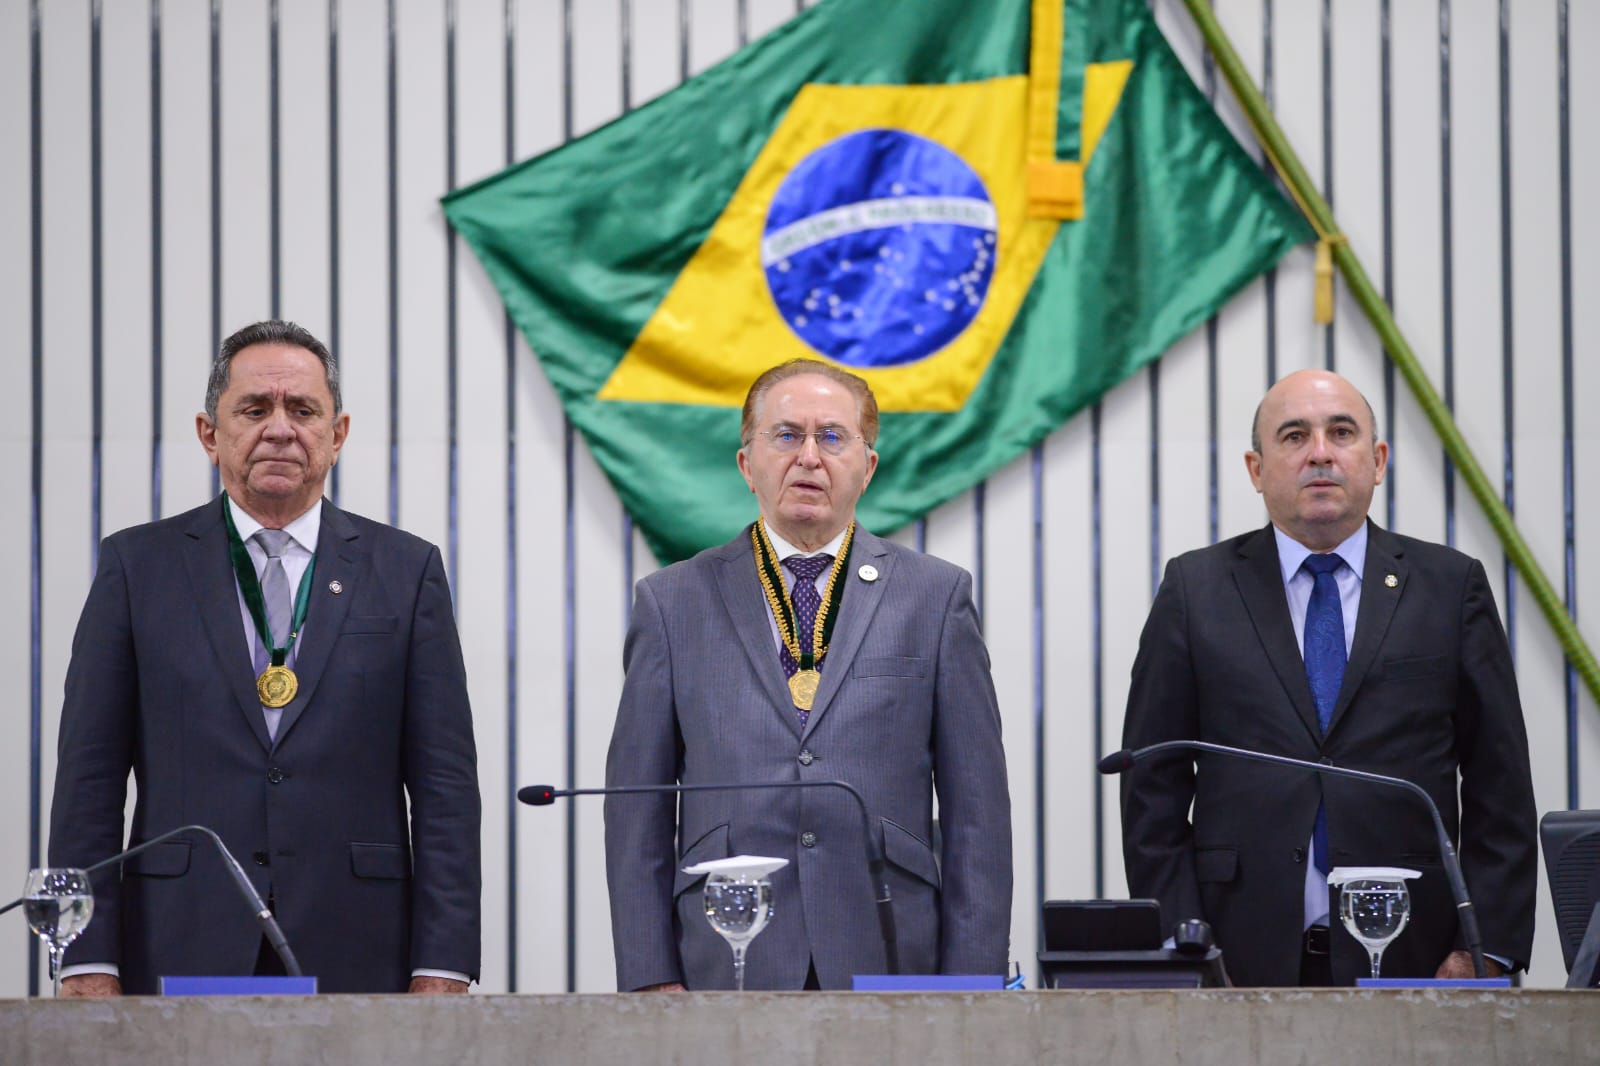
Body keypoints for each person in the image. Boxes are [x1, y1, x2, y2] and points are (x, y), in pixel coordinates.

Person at [48, 320, 481, 995]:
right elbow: (89, 782)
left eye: (303, 410)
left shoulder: (406, 570)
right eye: (254, 409)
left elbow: (445, 788)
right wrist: (85, 958)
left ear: (337, 434)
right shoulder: (137, 567)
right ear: (209, 433)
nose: (280, 429)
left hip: (360, 946)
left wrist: (443, 963)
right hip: (180, 938)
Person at [603, 358, 1012, 991]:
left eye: (833, 437)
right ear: (747, 464)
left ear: (867, 467)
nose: (809, 457)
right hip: (728, 950)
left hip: (890, 947)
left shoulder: (935, 598)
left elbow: (977, 811)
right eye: (787, 435)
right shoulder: (672, 602)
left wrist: (972, 983)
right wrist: (651, 975)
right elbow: (637, 809)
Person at [1119, 368, 1536, 986]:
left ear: (1378, 460)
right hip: (1236, 958)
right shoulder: (1195, 589)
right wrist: (1185, 949)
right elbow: (1151, 790)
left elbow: (1500, 786)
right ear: (1257, 470)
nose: (1320, 453)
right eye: (1294, 436)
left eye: (1341, 433)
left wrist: (1484, 950)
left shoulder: (1451, 587)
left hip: (1420, 957)